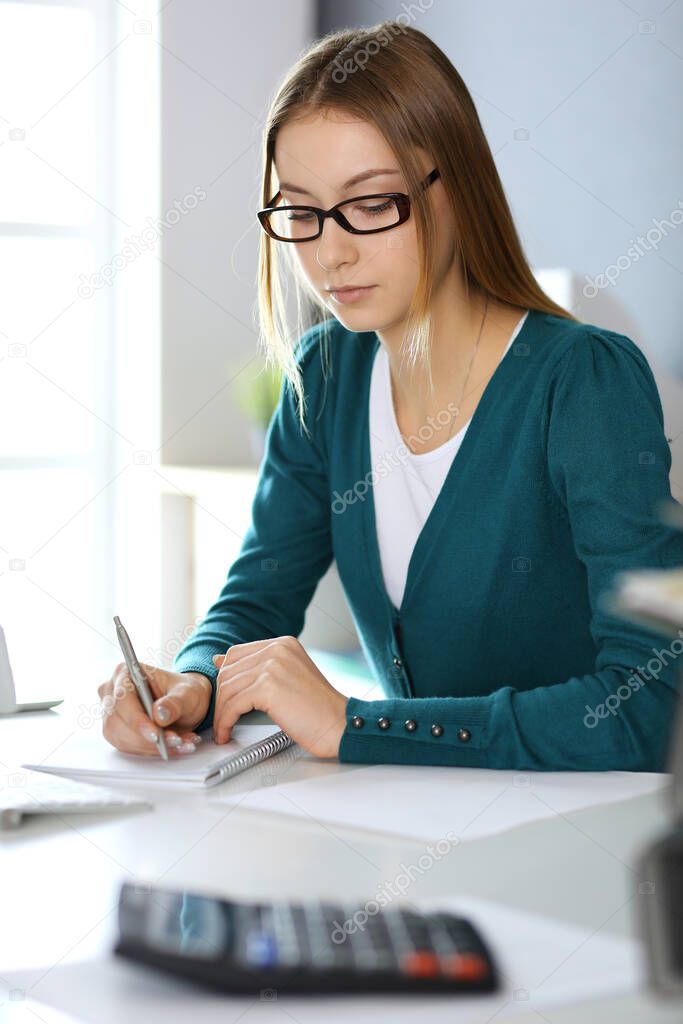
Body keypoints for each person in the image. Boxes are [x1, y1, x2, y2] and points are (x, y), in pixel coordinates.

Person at [98, 21, 683, 771]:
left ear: (455, 188)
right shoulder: (328, 376)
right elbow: (252, 601)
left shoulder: (582, 380)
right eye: (300, 213)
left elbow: (647, 707)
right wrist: (191, 679)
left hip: (571, 855)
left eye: (370, 204)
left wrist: (355, 725)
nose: (328, 252)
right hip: (401, 840)